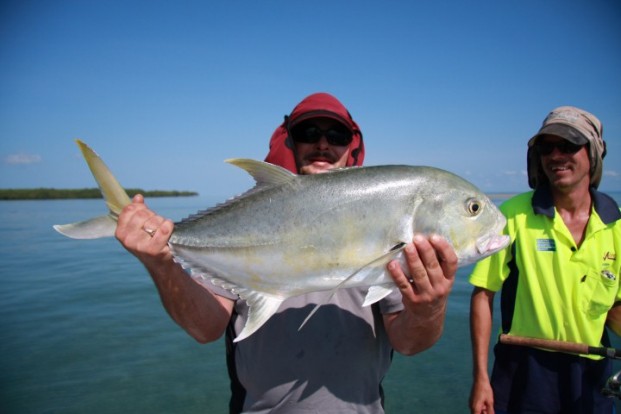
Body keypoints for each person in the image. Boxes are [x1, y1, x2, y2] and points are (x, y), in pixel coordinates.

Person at [115, 92, 458, 413]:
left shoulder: (387, 214)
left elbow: (409, 343)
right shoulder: (249, 216)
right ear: (291, 140)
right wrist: (163, 265)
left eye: (336, 136)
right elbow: (206, 328)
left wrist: (430, 308)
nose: (322, 143)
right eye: (309, 132)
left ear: (351, 146)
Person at [469, 106, 621, 414]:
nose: (555, 155)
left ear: (591, 154)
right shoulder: (511, 216)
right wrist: (481, 377)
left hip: (593, 371)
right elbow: (483, 294)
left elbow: (615, 307)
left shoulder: (615, 225)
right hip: (523, 367)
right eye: (546, 147)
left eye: (568, 146)